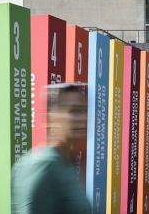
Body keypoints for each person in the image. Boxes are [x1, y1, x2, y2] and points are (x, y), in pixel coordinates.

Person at [12, 83, 91, 214]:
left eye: (83, 110)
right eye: (73, 111)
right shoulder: (41, 166)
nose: (82, 118)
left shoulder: (66, 163)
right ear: (52, 117)